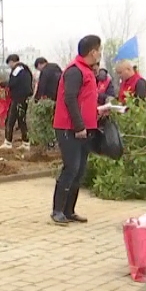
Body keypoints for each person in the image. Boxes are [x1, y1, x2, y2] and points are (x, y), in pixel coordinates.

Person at [51, 35, 104, 226]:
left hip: (84, 129)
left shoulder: (87, 71)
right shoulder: (75, 71)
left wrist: (98, 112)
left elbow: (84, 100)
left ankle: (69, 210)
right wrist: (79, 126)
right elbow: (70, 99)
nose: (100, 53)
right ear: (92, 52)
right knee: (71, 168)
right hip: (69, 128)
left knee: (80, 170)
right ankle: (57, 210)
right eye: (99, 49)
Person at [0, 54, 32, 150]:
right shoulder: (26, 69)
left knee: (10, 119)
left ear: (12, 62)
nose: (9, 66)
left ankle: (8, 142)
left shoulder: (17, 70)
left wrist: (3, 84)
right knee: (22, 121)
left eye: (9, 64)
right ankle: (26, 143)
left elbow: (12, 83)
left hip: (18, 98)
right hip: (25, 98)